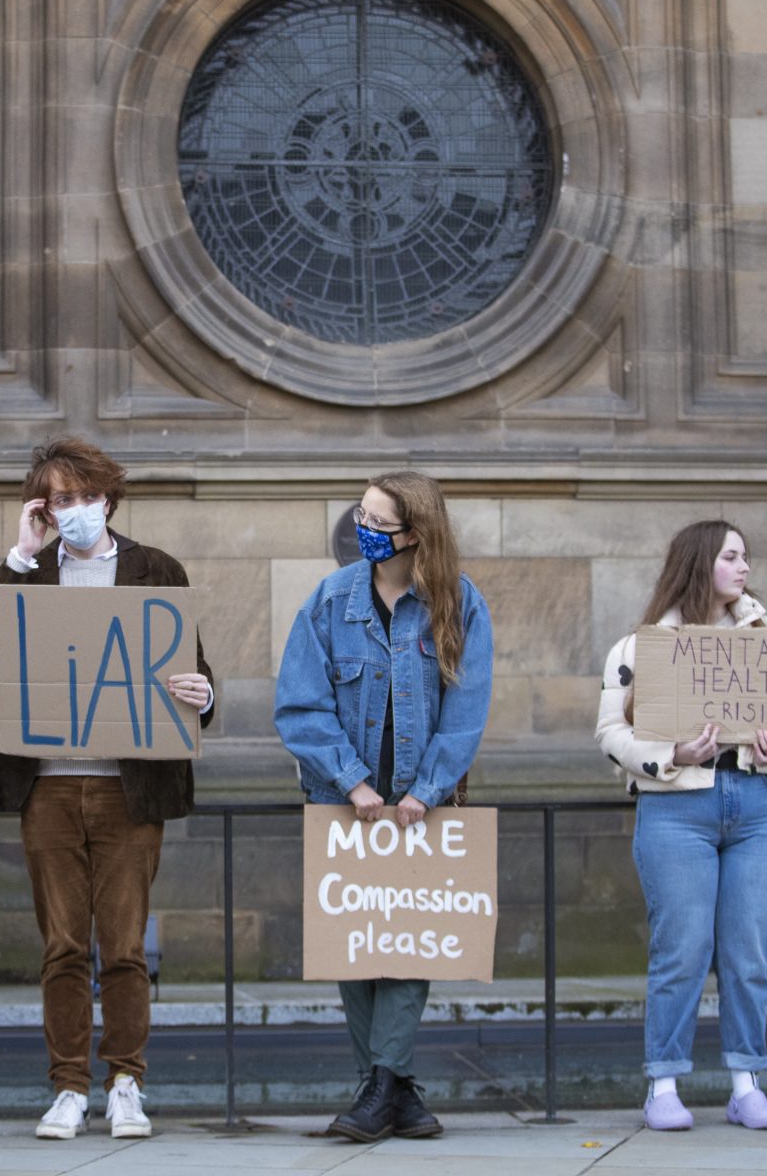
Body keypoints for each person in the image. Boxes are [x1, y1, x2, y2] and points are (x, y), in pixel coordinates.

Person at [0, 439, 215, 1141]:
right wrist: (19, 552)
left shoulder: (154, 568)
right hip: (47, 786)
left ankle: (125, 1082)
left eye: (81, 496)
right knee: (63, 945)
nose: (71, 510)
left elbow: (193, 670)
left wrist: (205, 693)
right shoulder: (32, 571)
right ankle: (69, 1085)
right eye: (57, 500)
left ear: (108, 497)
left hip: (128, 791)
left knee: (124, 945)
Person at [274, 470, 492, 1143]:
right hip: (343, 804)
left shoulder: (460, 603)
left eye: (375, 521)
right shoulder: (329, 600)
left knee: (407, 944)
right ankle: (394, 1091)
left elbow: (466, 712)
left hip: (425, 806)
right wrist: (353, 783)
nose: (361, 528)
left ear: (414, 535)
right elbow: (299, 705)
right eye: (359, 515)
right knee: (355, 947)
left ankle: (380, 1090)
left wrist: (424, 792)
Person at [594, 520, 767, 1132]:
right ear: (700, 563)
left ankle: (747, 1085)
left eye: (747, 556)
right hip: (676, 808)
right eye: (731, 556)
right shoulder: (641, 647)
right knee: (682, 950)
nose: (745, 567)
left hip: (758, 805)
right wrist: (673, 757)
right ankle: (663, 1086)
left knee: (748, 951)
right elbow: (610, 730)